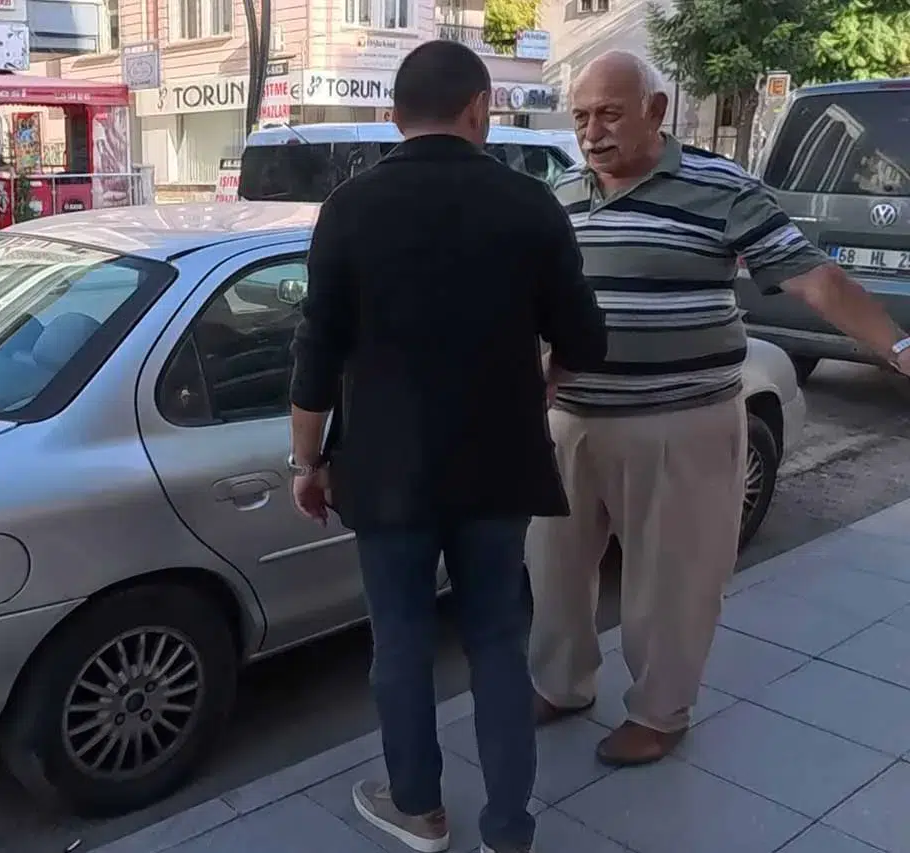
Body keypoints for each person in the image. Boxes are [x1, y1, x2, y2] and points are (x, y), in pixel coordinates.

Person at [528, 50, 910, 767]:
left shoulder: (721, 187)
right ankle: (561, 682)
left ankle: (660, 711)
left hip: (682, 422)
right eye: (581, 117)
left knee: (671, 580)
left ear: (656, 110)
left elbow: (814, 280)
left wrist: (898, 347)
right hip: (570, 421)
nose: (592, 132)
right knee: (551, 569)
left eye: (609, 113)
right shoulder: (561, 197)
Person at [288, 40, 607, 853]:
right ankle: (509, 826)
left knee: (399, 643)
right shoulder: (533, 204)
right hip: (499, 468)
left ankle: (419, 810)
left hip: (384, 470)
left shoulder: (350, 208)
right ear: (478, 110)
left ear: (394, 116)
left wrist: (307, 462)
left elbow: (316, 351)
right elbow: (585, 336)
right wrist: (547, 377)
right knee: (498, 640)